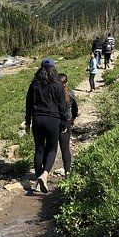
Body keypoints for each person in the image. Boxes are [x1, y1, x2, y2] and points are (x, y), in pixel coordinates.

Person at [25, 58, 67, 193]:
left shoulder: (34, 84)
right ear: (54, 69)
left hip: (37, 118)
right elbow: (62, 106)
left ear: (41, 68)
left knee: (39, 149)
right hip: (52, 119)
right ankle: (44, 175)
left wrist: (28, 121)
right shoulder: (57, 84)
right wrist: (64, 122)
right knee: (52, 149)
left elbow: (29, 104)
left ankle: (38, 180)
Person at [58, 73, 79, 176]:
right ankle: (67, 171)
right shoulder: (70, 93)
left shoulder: (53, 93)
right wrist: (73, 119)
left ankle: (44, 173)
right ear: (66, 82)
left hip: (55, 121)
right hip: (67, 121)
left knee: (50, 148)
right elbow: (75, 109)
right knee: (65, 148)